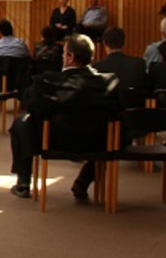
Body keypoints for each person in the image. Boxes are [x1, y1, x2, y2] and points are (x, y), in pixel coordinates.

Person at [8, 34, 119, 200]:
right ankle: (83, 181)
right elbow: (118, 111)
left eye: (64, 53)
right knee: (114, 131)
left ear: (71, 58)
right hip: (96, 142)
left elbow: (29, 104)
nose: (62, 57)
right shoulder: (109, 82)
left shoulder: (47, 82)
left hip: (54, 141)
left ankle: (24, 181)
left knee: (21, 122)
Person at [93, 27, 147, 101]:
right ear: (123, 42)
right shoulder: (139, 64)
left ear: (104, 43)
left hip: (108, 111)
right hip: (133, 111)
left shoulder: (96, 68)